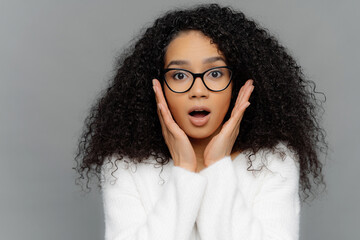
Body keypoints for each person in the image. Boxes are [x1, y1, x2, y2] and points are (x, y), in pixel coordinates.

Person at [74, 3, 327, 240]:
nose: (198, 90)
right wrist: (183, 170)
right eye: (180, 75)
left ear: (236, 84)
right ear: (157, 86)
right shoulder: (125, 165)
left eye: (215, 73)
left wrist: (217, 166)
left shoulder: (274, 161)